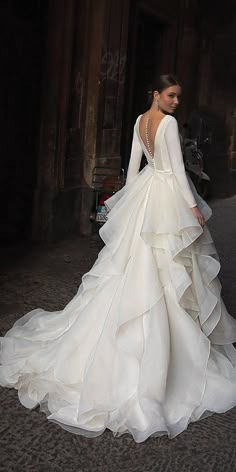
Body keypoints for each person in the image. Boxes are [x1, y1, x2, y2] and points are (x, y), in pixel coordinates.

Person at [0, 74, 236, 444]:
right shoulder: (169, 124)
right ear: (156, 95)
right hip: (164, 198)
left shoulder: (139, 122)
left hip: (144, 196)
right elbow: (175, 171)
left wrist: (125, 208)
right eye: (171, 95)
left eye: (178, 96)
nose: (176, 102)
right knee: (166, 269)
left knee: (130, 269)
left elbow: (131, 169)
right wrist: (193, 208)